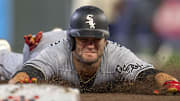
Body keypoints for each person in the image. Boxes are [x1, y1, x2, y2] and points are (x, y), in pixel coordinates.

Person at [9, 6, 180, 94]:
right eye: (84, 39)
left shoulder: (117, 55)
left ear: (105, 41)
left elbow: (149, 74)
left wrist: (171, 83)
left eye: (96, 39)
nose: (90, 44)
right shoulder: (57, 53)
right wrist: (18, 82)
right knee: (13, 67)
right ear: (73, 40)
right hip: (43, 47)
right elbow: (28, 71)